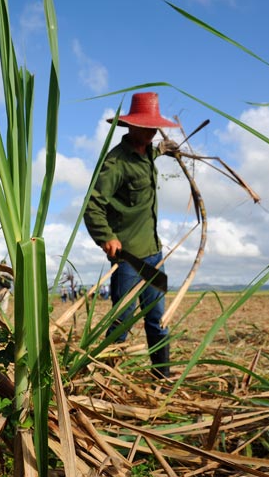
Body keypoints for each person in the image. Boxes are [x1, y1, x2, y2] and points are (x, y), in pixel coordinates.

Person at [83, 91, 179, 378]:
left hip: (154, 252)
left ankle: (162, 375)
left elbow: (154, 151)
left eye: (153, 127)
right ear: (130, 126)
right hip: (128, 258)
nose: (150, 132)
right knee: (122, 319)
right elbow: (93, 206)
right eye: (145, 126)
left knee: (157, 319)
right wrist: (106, 237)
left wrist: (164, 148)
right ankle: (101, 375)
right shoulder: (116, 163)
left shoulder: (148, 151)